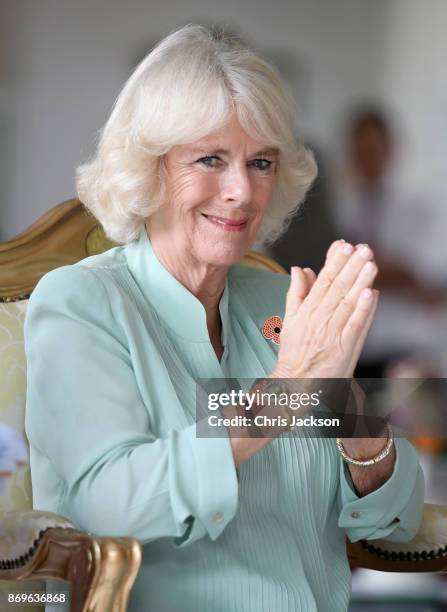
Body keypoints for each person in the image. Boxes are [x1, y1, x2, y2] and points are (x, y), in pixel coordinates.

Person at [24, 26, 424, 612]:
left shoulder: (280, 302)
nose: (241, 190)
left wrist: (346, 403)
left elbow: (398, 516)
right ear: (150, 167)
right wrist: (286, 392)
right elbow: (108, 504)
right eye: (210, 158)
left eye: (260, 162)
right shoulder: (81, 304)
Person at [332, 108, 447, 376]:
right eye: (359, 152)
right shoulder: (344, 210)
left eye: (372, 150)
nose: (366, 160)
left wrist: (364, 268)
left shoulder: (421, 206)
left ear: (390, 148)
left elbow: (426, 280)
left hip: (409, 349)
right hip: (359, 350)